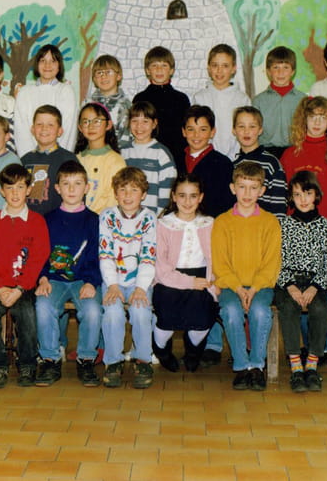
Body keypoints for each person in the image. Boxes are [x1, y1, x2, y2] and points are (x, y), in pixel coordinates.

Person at [0, 164, 50, 388]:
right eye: (10, 188)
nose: (15, 193)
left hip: (24, 286)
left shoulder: (37, 221)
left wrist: (19, 289)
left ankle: (27, 364)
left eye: (20, 187)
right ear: (2, 191)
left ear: (28, 190)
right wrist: (0, 289)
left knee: (27, 313)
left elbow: (38, 259)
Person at [212, 161, 282, 392]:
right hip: (230, 286)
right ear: (233, 188)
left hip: (260, 287)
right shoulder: (222, 222)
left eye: (253, 188)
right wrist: (238, 288)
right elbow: (220, 264)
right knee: (231, 311)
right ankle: (241, 366)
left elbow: (271, 264)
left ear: (262, 191)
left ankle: (257, 366)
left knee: (260, 311)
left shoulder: (270, 222)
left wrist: (253, 289)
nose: (247, 194)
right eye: (242, 187)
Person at [34, 161, 103, 387]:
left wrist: (91, 282)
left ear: (87, 187)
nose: (72, 189)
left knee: (92, 310)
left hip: (83, 280)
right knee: (43, 305)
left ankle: (86, 359)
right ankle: (50, 359)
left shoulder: (94, 221)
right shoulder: (47, 220)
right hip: (54, 280)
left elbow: (97, 256)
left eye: (77, 184)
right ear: (57, 188)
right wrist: (43, 277)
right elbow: (40, 254)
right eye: (66, 184)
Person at [152, 173, 218, 373]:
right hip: (169, 279)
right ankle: (161, 350)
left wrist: (215, 282)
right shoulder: (163, 224)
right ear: (173, 196)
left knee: (203, 320)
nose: (187, 202)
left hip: (202, 277)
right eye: (182, 195)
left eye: (193, 196)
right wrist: (190, 282)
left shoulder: (209, 223)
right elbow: (161, 268)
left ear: (201, 197)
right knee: (167, 319)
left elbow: (216, 259)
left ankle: (193, 351)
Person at [99, 167, 157, 389]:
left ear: (143, 194)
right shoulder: (107, 216)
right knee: (113, 312)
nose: (128, 195)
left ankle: (142, 360)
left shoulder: (149, 218)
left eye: (134, 190)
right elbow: (105, 254)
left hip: (139, 281)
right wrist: (112, 284)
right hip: (112, 280)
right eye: (122, 190)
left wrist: (141, 287)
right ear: (115, 193)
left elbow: (149, 256)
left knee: (141, 311)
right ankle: (113, 362)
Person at [276, 171, 327, 393]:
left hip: (315, 282)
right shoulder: (283, 224)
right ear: (291, 197)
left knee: (320, 309)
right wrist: (289, 285)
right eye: (297, 194)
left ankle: (312, 364)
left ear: (316, 195)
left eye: (308, 193)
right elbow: (276, 259)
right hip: (288, 281)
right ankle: (296, 366)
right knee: (288, 307)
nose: (303, 199)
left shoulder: (326, 226)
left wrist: (314, 286)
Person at [280, 96, 327, 220]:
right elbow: (283, 193)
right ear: (305, 119)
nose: (317, 123)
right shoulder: (290, 154)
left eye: (323, 118)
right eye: (312, 117)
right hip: (296, 222)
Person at [14, 44, 77, 155]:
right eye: (43, 60)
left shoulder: (66, 91)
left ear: (59, 65)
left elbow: (68, 129)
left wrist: (60, 157)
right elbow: (21, 130)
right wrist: (29, 158)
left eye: (53, 61)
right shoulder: (24, 92)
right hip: (30, 157)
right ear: (37, 64)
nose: (47, 65)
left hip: (59, 158)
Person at [174, 105, 235, 218]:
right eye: (191, 129)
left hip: (210, 223)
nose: (196, 135)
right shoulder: (176, 160)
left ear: (212, 132)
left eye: (203, 129)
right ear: (183, 132)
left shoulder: (223, 164)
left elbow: (227, 204)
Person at [193, 44, 250, 160]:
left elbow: (245, 131)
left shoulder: (242, 99)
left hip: (236, 158)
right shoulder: (199, 98)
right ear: (209, 68)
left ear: (233, 68)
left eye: (225, 66)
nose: (219, 70)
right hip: (206, 157)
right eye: (215, 65)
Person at [132, 45, 191, 160]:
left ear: (171, 70)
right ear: (147, 70)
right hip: (146, 155)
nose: (159, 69)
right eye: (154, 65)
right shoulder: (140, 99)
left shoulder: (181, 99)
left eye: (164, 65)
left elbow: (186, 131)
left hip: (175, 156)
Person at [120, 100, 177, 215]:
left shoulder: (161, 154)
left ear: (154, 124)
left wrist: (158, 217)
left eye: (145, 121)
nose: (139, 126)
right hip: (125, 216)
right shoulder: (123, 152)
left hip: (152, 217)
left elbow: (167, 191)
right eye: (134, 121)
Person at [21, 104, 79, 216]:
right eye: (39, 124)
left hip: (57, 221)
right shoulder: (24, 160)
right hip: (28, 221)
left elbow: (77, 195)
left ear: (60, 131)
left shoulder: (69, 160)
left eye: (50, 125)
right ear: (32, 129)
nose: (44, 128)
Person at [232, 105, 288, 220]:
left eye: (252, 126)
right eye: (241, 126)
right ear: (234, 130)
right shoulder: (233, 165)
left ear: (260, 130)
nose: (246, 131)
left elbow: (279, 206)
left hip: (265, 227)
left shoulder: (272, 163)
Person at [252, 46, 307, 160]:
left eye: (286, 67)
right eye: (275, 67)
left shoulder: (303, 100)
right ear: (268, 71)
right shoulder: (258, 101)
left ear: (293, 71)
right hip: (266, 152)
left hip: (295, 152)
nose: (280, 72)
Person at [75, 102, 126, 214]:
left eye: (97, 121)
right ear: (80, 127)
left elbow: (114, 201)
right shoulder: (76, 159)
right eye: (85, 122)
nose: (91, 126)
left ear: (108, 125)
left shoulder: (116, 161)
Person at [87, 54, 132, 144]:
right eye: (99, 73)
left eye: (108, 72)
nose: (103, 76)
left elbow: (126, 138)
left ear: (118, 76)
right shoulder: (87, 103)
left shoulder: (126, 105)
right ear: (94, 79)